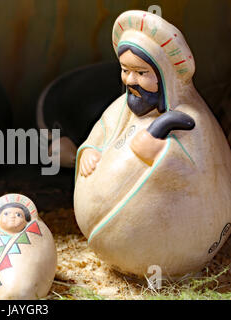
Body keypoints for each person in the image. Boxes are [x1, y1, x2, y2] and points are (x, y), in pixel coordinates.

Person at [74, 10, 231, 277]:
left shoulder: (192, 120)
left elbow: (204, 177)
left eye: (141, 72)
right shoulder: (122, 108)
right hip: (102, 238)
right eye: (125, 71)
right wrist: (89, 151)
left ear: (164, 74)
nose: (130, 81)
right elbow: (100, 132)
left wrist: (161, 155)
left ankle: (170, 274)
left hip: (175, 246)